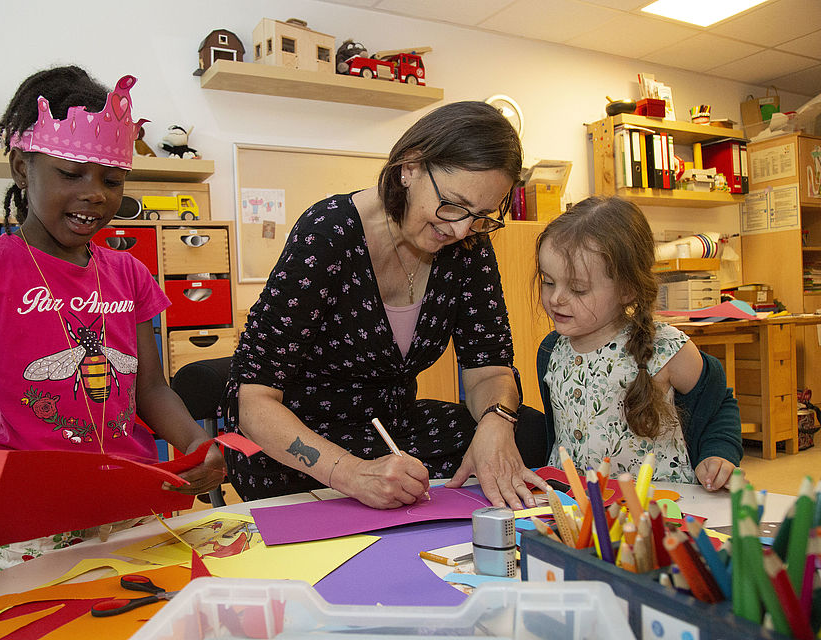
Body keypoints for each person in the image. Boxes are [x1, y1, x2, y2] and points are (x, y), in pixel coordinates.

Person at [0, 65, 223, 566]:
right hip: (32, 522)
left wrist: (194, 441)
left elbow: (151, 390)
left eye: (112, 179)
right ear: (20, 169)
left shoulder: (130, 273)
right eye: (71, 173)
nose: (95, 193)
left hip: (136, 505)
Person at [223, 101, 549, 510]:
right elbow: (253, 402)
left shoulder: (467, 245)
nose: (461, 228)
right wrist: (351, 474)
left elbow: (489, 369)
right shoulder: (328, 233)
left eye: (481, 215)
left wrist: (496, 423)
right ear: (409, 167)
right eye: (453, 204)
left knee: (526, 432)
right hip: (301, 440)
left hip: (392, 430)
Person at [534, 195, 742, 490]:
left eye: (578, 288)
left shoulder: (667, 349)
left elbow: (719, 403)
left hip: (656, 508)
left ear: (627, 289)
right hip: (577, 506)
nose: (556, 299)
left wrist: (718, 453)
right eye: (548, 281)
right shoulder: (551, 350)